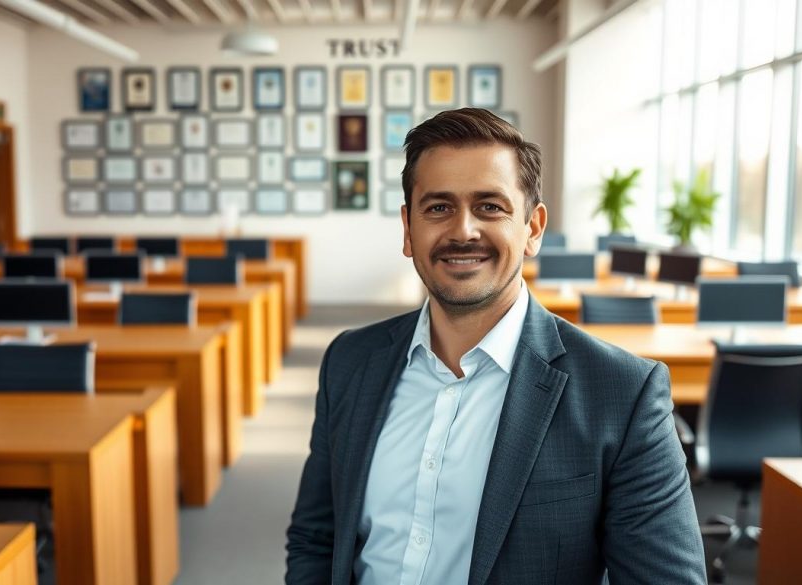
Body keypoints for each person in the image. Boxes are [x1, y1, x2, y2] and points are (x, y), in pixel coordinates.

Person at [286, 108, 706, 584]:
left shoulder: (623, 394)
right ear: (408, 228)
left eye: (490, 206)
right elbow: (315, 539)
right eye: (438, 207)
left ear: (533, 228)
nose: (463, 230)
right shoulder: (349, 361)